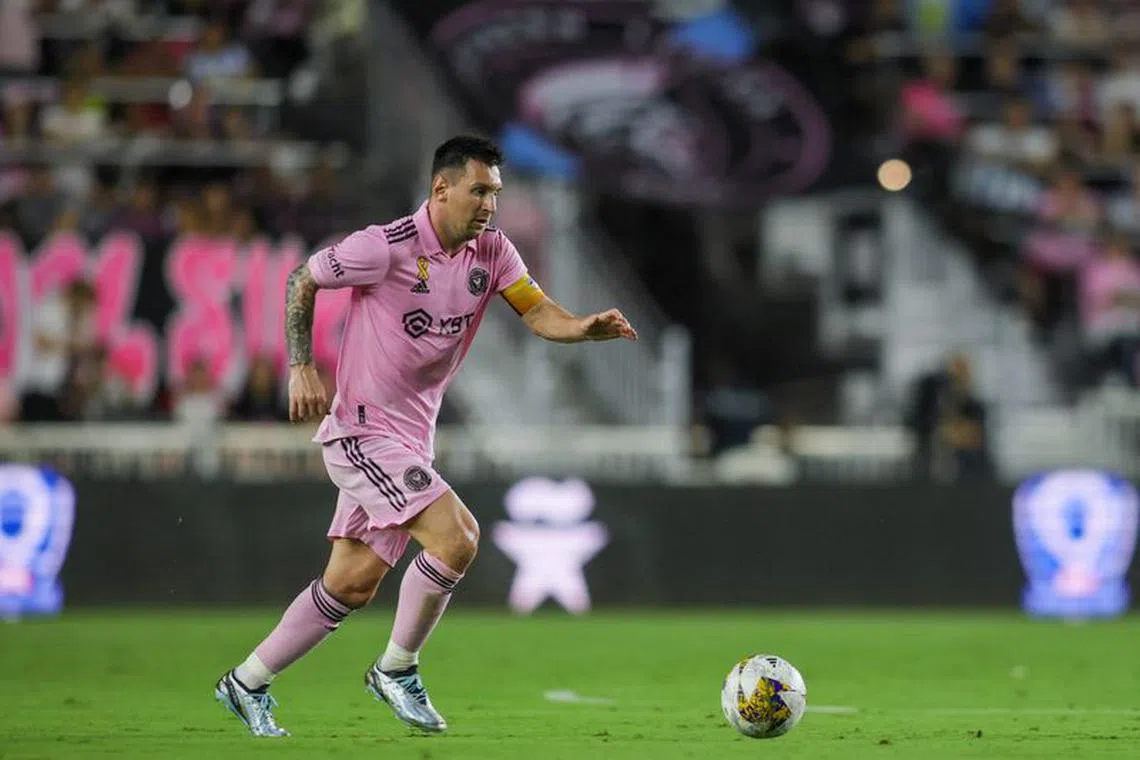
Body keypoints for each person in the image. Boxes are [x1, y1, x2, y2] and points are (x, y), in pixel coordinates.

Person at [214, 136, 637, 737]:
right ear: (441, 189)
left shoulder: (492, 253)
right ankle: (397, 669)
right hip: (362, 434)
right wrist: (301, 364)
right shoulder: (382, 248)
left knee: (351, 583)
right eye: (480, 190)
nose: (491, 204)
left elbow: (538, 311)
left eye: (496, 191)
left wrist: (583, 328)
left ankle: (246, 682)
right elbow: (301, 279)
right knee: (457, 536)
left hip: (410, 443)